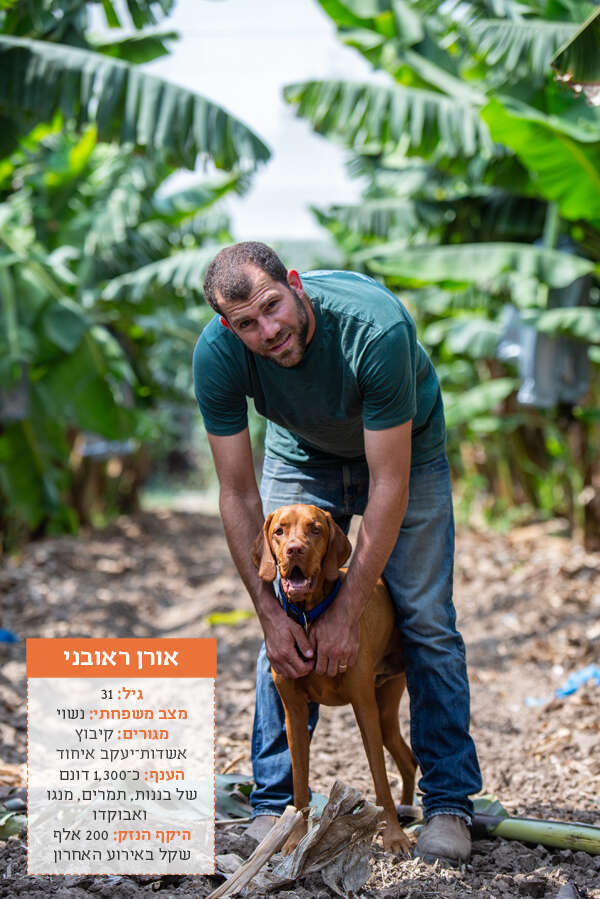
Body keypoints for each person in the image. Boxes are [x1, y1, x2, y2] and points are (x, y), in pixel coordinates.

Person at [193, 241, 482, 865]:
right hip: (301, 454)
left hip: (405, 453)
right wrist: (271, 612)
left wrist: (348, 610)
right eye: (247, 323)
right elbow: (238, 492)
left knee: (426, 620)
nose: (267, 331)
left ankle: (449, 803)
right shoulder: (217, 357)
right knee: (283, 623)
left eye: (273, 307)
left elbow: (388, 486)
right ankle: (275, 805)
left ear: (293, 283)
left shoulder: (373, 328)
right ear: (227, 326)